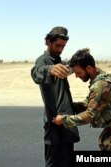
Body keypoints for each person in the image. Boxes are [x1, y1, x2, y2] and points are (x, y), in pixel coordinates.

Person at [52, 48, 111, 151]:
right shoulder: (97, 74)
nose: (76, 76)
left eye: (79, 73)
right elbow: (90, 103)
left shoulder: (100, 86)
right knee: (103, 144)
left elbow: (89, 116)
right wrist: (70, 106)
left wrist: (64, 120)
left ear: (89, 68)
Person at [31, 26, 80, 167]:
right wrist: (50, 69)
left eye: (63, 46)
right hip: (53, 122)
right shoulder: (43, 60)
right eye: (57, 45)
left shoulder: (59, 61)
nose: (60, 49)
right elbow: (36, 72)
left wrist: (80, 56)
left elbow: (68, 69)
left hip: (66, 121)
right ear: (48, 42)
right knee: (53, 162)